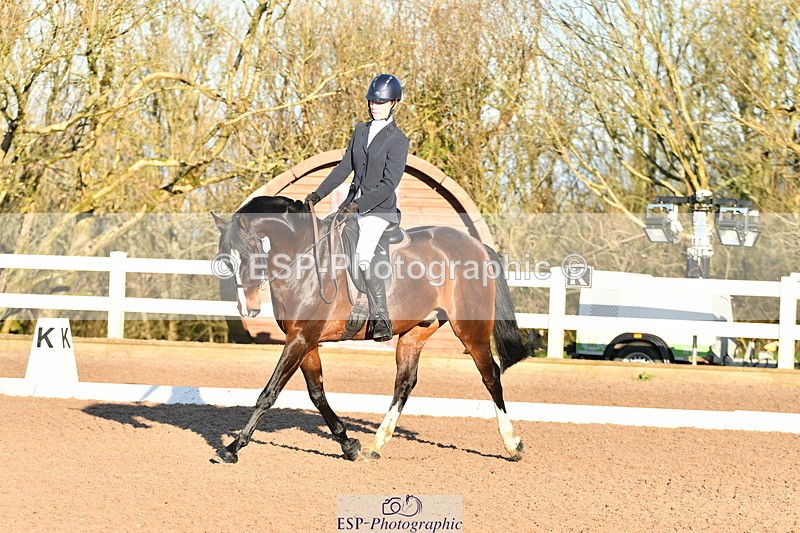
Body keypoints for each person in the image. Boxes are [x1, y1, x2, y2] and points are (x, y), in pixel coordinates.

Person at [305, 74, 409, 342]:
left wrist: (358, 205)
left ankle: (381, 317)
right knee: (325, 237)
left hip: (378, 210)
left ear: (393, 103)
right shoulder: (361, 130)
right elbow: (344, 168)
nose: (375, 106)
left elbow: (389, 184)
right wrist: (318, 194)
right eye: (372, 101)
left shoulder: (398, 140)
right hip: (352, 206)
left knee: (363, 254)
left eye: (381, 102)